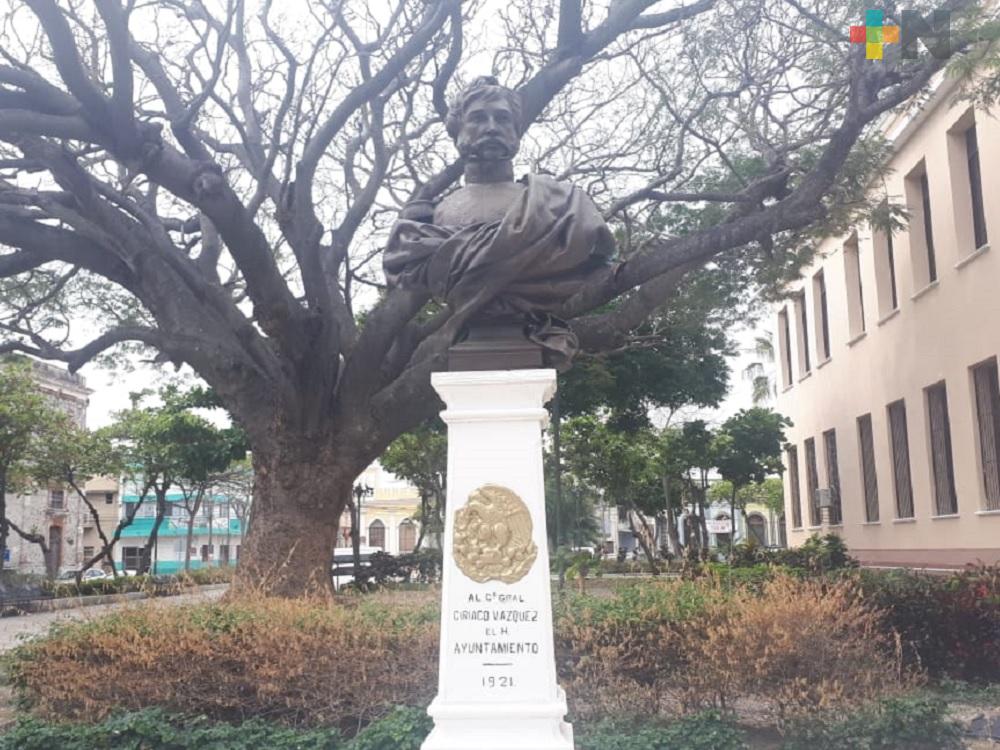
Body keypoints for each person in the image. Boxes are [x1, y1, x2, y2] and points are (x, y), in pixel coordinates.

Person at [383, 76, 615, 366]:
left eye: (502, 118)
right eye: (478, 118)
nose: (491, 127)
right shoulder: (428, 223)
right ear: (458, 130)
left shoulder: (561, 207)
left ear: (515, 130)